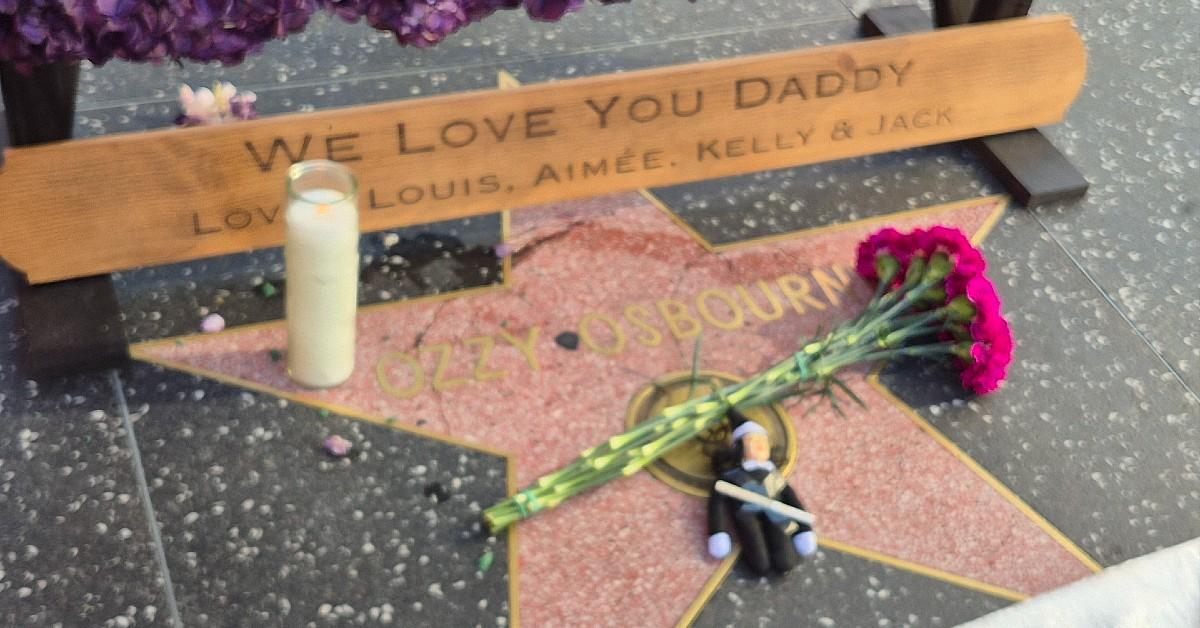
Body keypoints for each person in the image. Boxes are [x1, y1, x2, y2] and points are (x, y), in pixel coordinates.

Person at [707, 409, 817, 576]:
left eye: (763, 441)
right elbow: (717, 507)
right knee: (759, 562)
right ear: (739, 447)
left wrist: (804, 529)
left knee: (785, 560)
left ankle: (781, 558)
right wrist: (718, 532)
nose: (760, 445)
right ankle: (759, 562)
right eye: (752, 440)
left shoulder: (774, 477)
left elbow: (792, 501)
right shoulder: (731, 478)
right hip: (746, 516)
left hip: (776, 514)